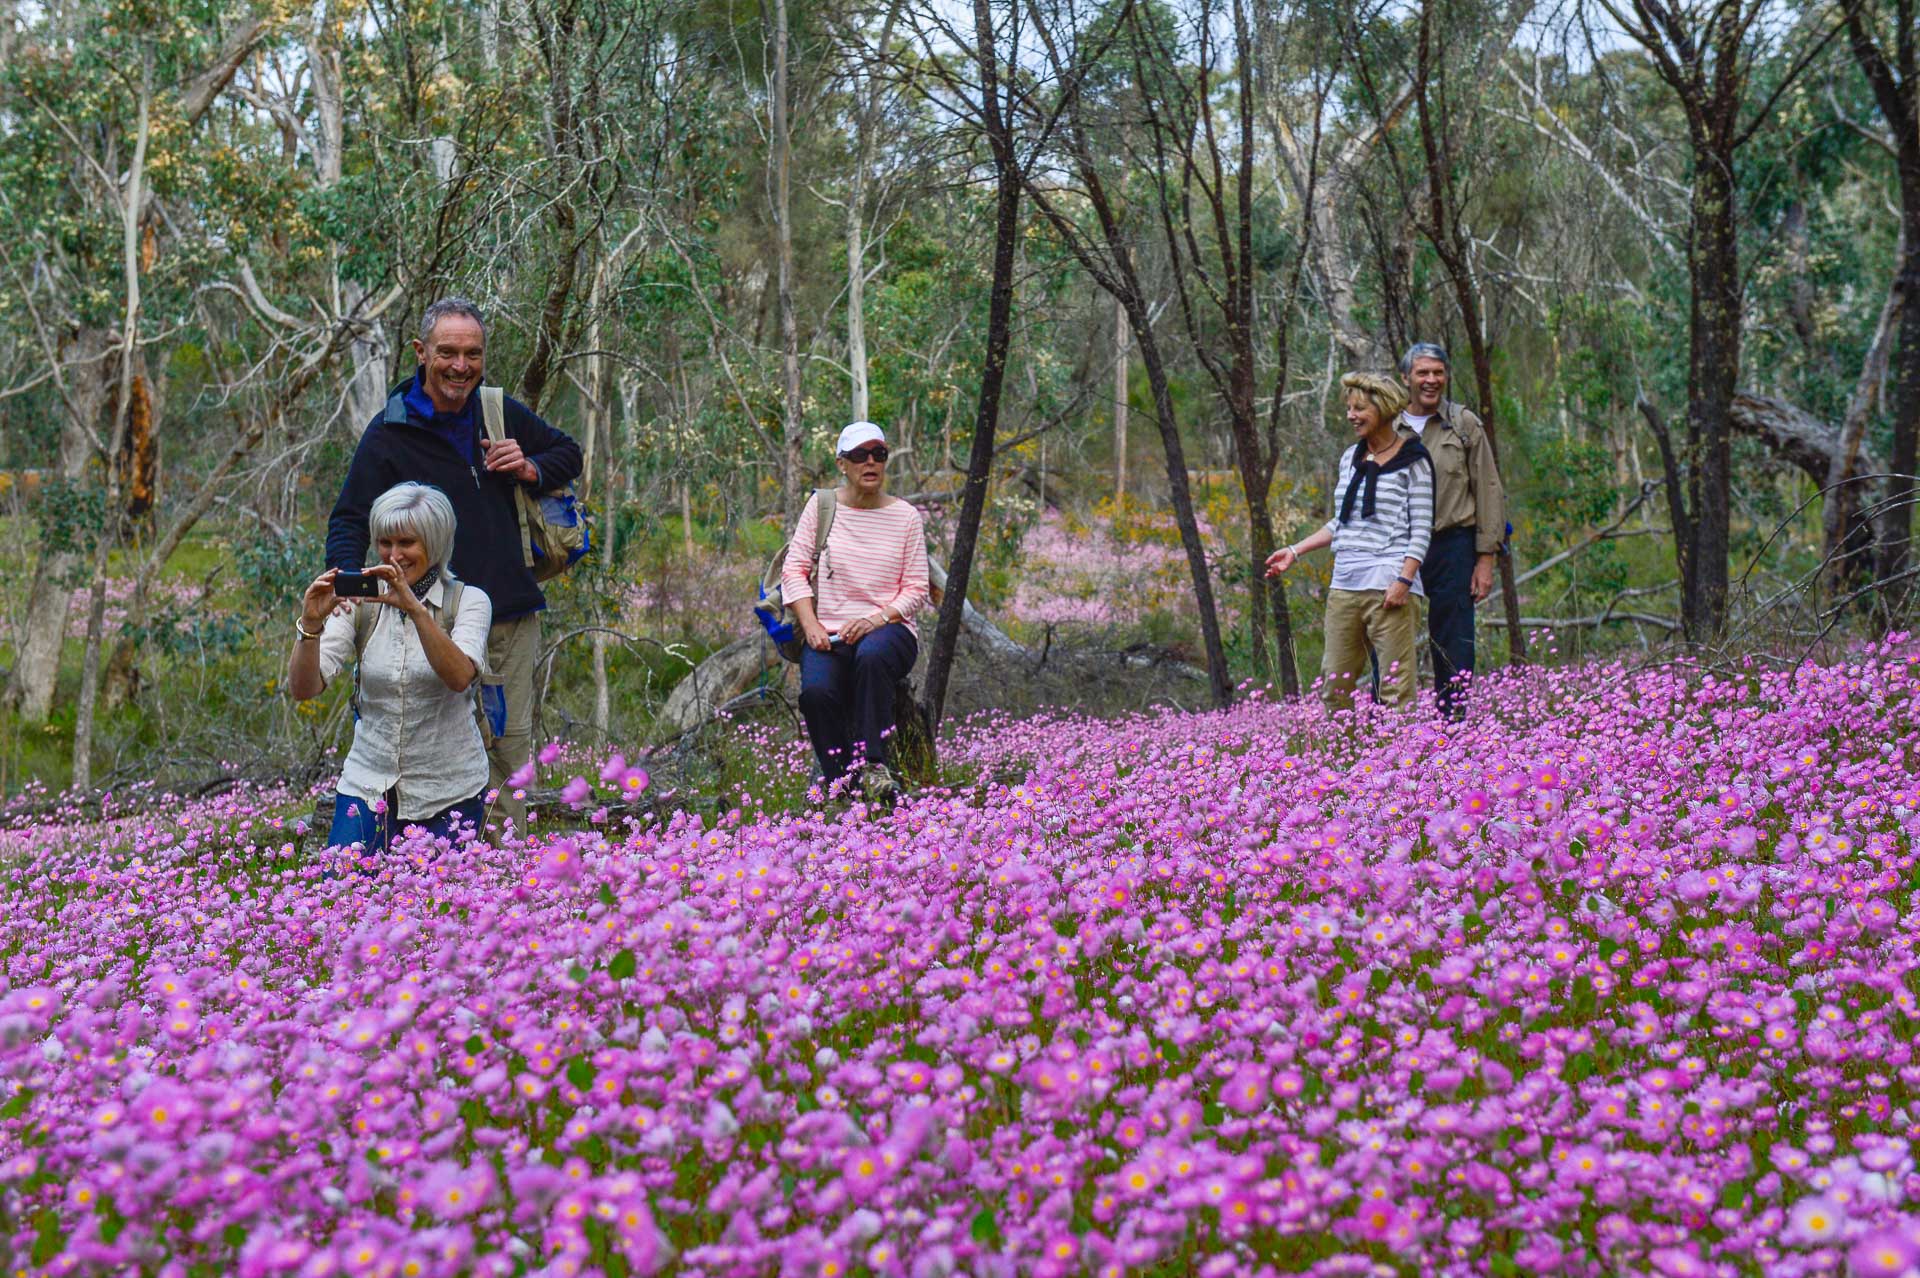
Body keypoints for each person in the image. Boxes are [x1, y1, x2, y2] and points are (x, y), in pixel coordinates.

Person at [326, 297, 582, 831]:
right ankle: (429, 869)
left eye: (473, 353)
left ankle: (502, 876)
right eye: (447, 352)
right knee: (422, 743)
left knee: (509, 749)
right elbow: (349, 517)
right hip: (428, 616)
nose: (460, 366)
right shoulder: (389, 432)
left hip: (507, 612)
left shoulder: (496, 411)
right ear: (421, 353)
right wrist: (346, 584)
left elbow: (569, 453)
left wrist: (530, 465)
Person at [290, 483, 493, 857]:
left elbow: (459, 676)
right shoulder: (359, 604)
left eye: (407, 543)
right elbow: (305, 687)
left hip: (449, 787)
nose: (394, 554)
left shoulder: (468, 602)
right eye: (385, 543)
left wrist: (414, 607)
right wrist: (310, 626)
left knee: (440, 905)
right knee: (344, 892)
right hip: (368, 783)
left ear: (435, 543)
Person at [1266, 372, 1434, 713]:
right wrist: (1295, 551)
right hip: (1345, 585)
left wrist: (1403, 581)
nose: (1351, 416)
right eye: (1349, 408)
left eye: (1359, 408)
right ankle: (1345, 762)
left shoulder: (1414, 460)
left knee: (1395, 692)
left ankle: (1400, 763)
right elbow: (1343, 523)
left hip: (1390, 585)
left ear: (1384, 409)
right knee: (1334, 685)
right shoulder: (1350, 458)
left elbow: (1422, 528)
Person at [783, 422, 930, 803]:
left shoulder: (906, 517)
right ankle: (841, 783)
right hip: (829, 630)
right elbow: (793, 570)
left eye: (878, 455)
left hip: (890, 629)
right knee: (815, 693)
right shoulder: (821, 506)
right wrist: (810, 623)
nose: (870, 462)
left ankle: (873, 765)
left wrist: (876, 619)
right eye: (859, 456)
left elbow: (916, 588)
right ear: (841, 464)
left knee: (872, 656)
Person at [1397, 342, 1507, 719]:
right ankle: (1387, 730)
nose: (1431, 380)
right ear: (1406, 377)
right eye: (1422, 372)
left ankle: (1453, 723)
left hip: (1453, 544)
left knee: (1454, 640)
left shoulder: (1463, 424)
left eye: (1438, 373)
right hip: (1397, 548)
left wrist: (1486, 558)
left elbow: (1489, 489)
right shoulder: (1385, 424)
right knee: (1389, 638)